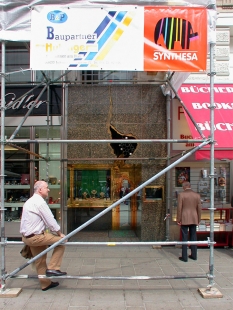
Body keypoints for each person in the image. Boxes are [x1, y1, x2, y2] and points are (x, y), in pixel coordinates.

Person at [20, 180, 67, 291]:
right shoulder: (39, 202)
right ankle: (53, 268)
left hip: (28, 237)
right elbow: (50, 220)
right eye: (47, 187)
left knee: (40, 260)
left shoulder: (29, 201)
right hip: (36, 237)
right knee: (62, 242)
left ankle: (45, 284)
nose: (48, 189)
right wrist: (60, 233)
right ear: (40, 189)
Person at [177, 181, 202, 262]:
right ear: (190, 186)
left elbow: (179, 208)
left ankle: (184, 257)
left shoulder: (181, 195)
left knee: (184, 237)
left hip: (184, 218)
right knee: (193, 236)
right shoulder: (197, 195)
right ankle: (194, 255)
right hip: (194, 218)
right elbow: (199, 209)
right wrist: (199, 219)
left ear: (184, 187)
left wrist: (178, 219)